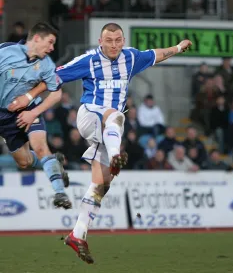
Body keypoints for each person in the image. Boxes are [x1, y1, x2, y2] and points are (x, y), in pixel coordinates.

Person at [10, 22, 192, 264]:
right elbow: (53, 77)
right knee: (116, 115)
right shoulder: (88, 60)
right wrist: (29, 97)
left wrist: (179, 47)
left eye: (118, 40)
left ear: (123, 41)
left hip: (108, 131)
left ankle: (77, 235)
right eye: (109, 40)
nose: (114, 45)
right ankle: (117, 155)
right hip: (89, 115)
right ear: (100, 41)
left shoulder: (131, 58)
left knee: (101, 185)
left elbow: (157, 55)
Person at [3, 22, 72, 209]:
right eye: (49, 43)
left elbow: (56, 93)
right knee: (24, 161)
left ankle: (60, 193)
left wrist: (32, 111)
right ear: (36, 38)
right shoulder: (6, 51)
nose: (51, 48)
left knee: (41, 147)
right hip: (4, 115)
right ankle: (52, 163)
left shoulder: (46, 65)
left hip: (28, 111)